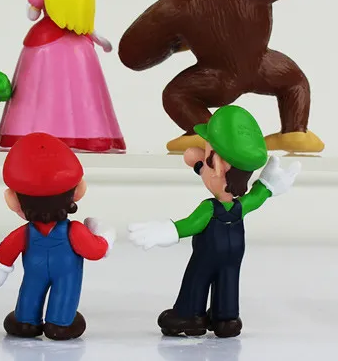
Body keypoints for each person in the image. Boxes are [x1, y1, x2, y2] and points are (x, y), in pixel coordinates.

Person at [128, 105, 301, 338]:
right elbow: (256, 197)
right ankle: (226, 318)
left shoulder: (209, 208)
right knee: (228, 279)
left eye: (207, 157)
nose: (200, 157)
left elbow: (191, 224)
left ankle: (190, 315)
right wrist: (267, 185)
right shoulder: (239, 207)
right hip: (234, 252)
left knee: (197, 278)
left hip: (207, 254)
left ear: (218, 166)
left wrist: (169, 230)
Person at [0, 0, 125, 153]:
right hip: (79, 47)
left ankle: (36, 132)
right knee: (81, 89)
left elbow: (32, 14)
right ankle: (87, 134)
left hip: (44, 47)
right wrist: (99, 38)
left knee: (42, 91)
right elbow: (88, 27)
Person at [0, 132, 116, 340]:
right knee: (65, 290)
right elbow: (96, 251)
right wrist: (103, 234)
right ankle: (60, 323)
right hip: (66, 272)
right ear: (79, 191)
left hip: (34, 270)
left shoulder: (25, 233)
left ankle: (26, 321)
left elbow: (5, 253)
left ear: (12, 200)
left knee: (31, 288)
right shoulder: (74, 230)